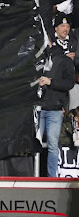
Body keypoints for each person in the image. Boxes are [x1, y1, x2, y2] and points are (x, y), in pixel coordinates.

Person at [39, 44, 75, 177]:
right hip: (38, 108)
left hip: (54, 109)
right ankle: (32, 176)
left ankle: (51, 178)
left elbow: (69, 83)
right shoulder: (39, 58)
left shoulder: (65, 61)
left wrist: (51, 82)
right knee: (34, 144)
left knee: (53, 145)